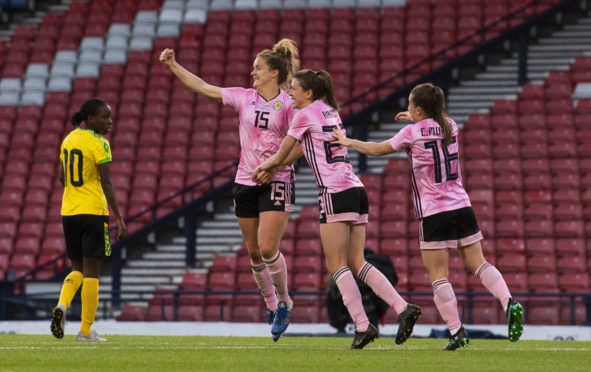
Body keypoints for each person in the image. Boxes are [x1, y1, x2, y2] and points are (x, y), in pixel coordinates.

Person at [331, 82, 524, 350]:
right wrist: (418, 118)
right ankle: (508, 301)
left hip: (434, 211)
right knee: (479, 263)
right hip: (462, 205)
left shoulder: (411, 133)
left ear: (419, 109)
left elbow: (377, 149)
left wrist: (347, 141)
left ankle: (457, 332)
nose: (408, 109)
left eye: (411, 105)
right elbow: (432, 126)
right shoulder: (451, 126)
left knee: (439, 276)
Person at [252, 69, 421, 350]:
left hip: (333, 190)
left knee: (336, 265)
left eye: (294, 88)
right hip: (355, 188)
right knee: (358, 262)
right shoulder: (329, 111)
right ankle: (402, 307)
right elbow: (302, 148)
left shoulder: (304, 115)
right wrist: (278, 164)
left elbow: (285, 149)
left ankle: (363, 325)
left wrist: (268, 165)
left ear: (308, 93)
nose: (290, 92)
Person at [160, 39, 301, 341]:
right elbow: (203, 87)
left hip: (277, 180)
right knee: (253, 252)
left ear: (275, 72)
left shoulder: (289, 104)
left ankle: (285, 302)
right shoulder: (243, 97)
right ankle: (272, 305)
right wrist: (173, 66)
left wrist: (275, 166)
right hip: (245, 180)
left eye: (258, 68)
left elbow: (301, 145)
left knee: (267, 248)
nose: (252, 73)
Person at [51, 98, 127, 342]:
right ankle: (85, 331)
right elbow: (106, 182)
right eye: (105, 117)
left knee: (77, 269)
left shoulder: (68, 139)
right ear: (90, 118)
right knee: (92, 272)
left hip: (69, 211)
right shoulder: (99, 143)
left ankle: (62, 305)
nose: (109, 121)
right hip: (93, 211)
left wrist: (75, 193)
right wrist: (119, 217)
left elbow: (62, 177)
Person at [326, 248, 398, 333]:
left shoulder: (356, 265)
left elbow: (332, 281)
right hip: (374, 303)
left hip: (368, 302)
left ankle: (343, 327)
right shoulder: (380, 264)